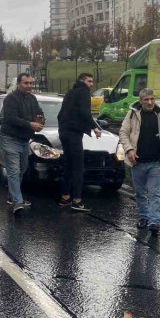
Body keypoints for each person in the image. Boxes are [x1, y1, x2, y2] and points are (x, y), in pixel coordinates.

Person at [119, 88, 160, 233]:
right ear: (140, 101)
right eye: (146, 99)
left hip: (155, 162)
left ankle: (154, 222)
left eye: (152, 99)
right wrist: (129, 150)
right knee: (140, 193)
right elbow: (123, 132)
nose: (149, 102)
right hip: (137, 162)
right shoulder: (132, 114)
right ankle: (143, 217)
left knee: (154, 193)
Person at [0, 73, 44, 214]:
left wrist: (40, 120)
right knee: (13, 170)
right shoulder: (10, 99)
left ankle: (11, 197)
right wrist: (30, 124)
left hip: (25, 140)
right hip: (10, 138)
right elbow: (11, 118)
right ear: (18, 84)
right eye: (26, 83)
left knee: (21, 170)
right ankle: (18, 202)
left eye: (31, 83)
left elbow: (39, 113)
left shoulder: (32, 98)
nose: (29, 86)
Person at [57, 73, 101, 213]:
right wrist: (95, 127)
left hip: (64, 132)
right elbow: (84, 112)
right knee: (78, 167)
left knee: (69, 165)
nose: (91, 84)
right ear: (82, 81)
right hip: (74, 133)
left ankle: (65, 197)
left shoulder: (70, 93)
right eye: (89, 81)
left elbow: (61, 114)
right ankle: (77, 200)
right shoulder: (84, 92)